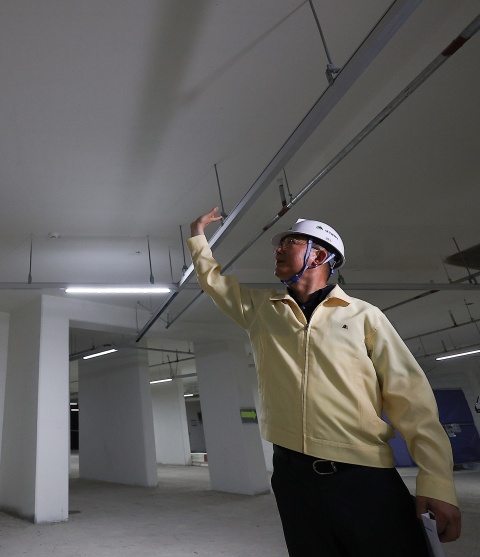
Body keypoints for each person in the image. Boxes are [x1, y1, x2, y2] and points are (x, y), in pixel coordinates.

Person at [188, 207, 461, 557]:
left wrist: (437, 482)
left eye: (290, 242)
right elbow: (213, 281)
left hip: (362, 476)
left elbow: (412, 401)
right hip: (292, 480)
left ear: (319, 256)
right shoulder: (262, 309)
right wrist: (198, 236)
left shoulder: (364, 316)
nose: (278, 249)